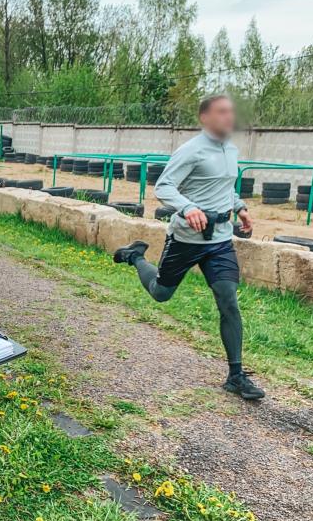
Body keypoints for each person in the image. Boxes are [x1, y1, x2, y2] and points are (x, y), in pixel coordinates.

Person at [113, 94, 265, 401]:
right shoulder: (191, 150)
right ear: (205, 118)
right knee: (161, 292)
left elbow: (225, 185)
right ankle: (135, 256)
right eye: (222, 112)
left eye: (231, 112)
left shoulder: (231, 149)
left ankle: (236, 376)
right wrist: (187, 208)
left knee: (228, 299)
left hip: (220, 240)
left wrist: (240, 207)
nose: (229, 118)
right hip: (186, 238)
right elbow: (164, 187)